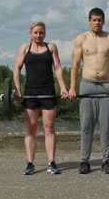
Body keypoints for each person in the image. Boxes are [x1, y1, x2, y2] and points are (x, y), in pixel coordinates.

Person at [68, 7, 109, 174]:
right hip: (87, 84)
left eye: (100, 20)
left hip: (107, 85)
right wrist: (72, 87)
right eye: (94, 20)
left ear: (104, 21)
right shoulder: (81, 39)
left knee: (105, 125)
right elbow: (75, 65)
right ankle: (84, 161)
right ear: (89, 21)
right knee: (86, 125)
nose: (97, 23)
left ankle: (106, 161)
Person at [13, 21, 68, 175]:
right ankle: (30, 163)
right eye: (36, 32)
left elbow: (57, 68)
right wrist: (17, 90)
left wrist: (63, 88)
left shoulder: (51, 47)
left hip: (48, 91)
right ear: (30, 33)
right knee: (31, 128)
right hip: (30, 92)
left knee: (49, 128)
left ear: (45, 33)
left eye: (41, 33)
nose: (38, 35)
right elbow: (17, 68)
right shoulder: (25, 48)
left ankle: (51, 162)